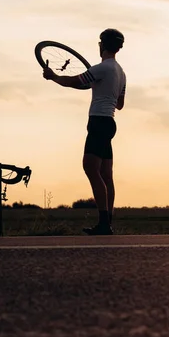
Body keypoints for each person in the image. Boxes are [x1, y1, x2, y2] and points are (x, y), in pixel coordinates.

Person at [42, 28, 126, 235]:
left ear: (102, 45)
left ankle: (104, 223)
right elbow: (120, 104)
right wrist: (98, 87)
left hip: (98, 121)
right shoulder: (121, 72)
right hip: (109, 122)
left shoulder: (102, 69)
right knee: (106, 174)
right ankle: (108, 222)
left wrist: (53, 76)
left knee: (90, 167)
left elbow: (73, 81)